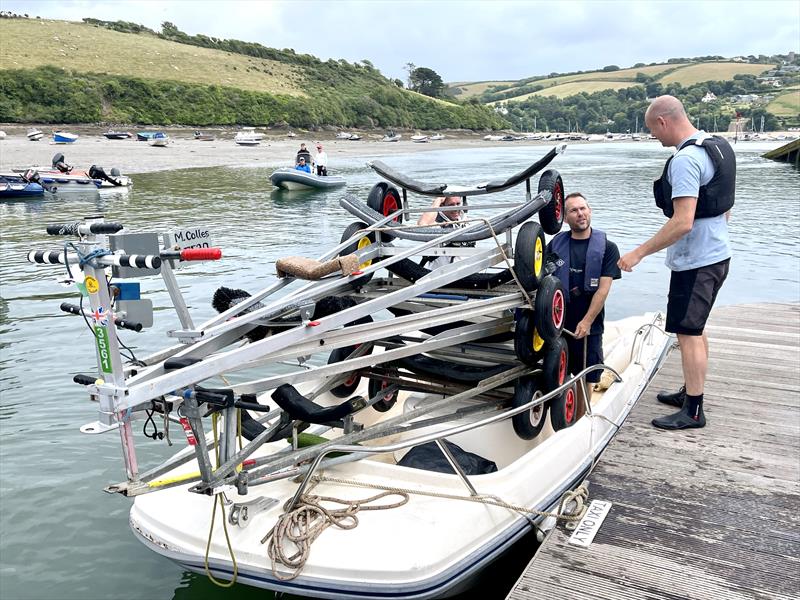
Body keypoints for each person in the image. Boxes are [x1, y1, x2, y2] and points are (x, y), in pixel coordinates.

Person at [618, 95, 734, 430]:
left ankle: (693, 411)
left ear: (662, 122)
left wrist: (638, 253)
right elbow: (726, 206)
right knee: (694, 329)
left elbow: (682, 221)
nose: (654, 136)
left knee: (687, 332)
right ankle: (690, 391)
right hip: (717, 254)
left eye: (651, 129)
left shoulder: (686, 159)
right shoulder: (716, 146)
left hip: (697, 261)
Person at [546, 192, 621, 388]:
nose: (580, 214)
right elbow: (542, 278)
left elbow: (603, 290)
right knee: (558, 375)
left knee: (586, 378)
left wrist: (587, 322)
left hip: (589, 325)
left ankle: (583, 416)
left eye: (583, 208)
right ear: (565, 217)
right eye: (574, 210)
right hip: (559, 321)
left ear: (590, 211)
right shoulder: (555, 245)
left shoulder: (608, 248)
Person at [417, 196, 464, 269]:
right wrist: (438, 201)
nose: (456, 208)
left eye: (458, 204)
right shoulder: (436, 224)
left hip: (465, 272)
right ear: (441, 206)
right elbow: (422, 225)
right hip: (440, 275)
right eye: (451, 205)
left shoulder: (463, 220)